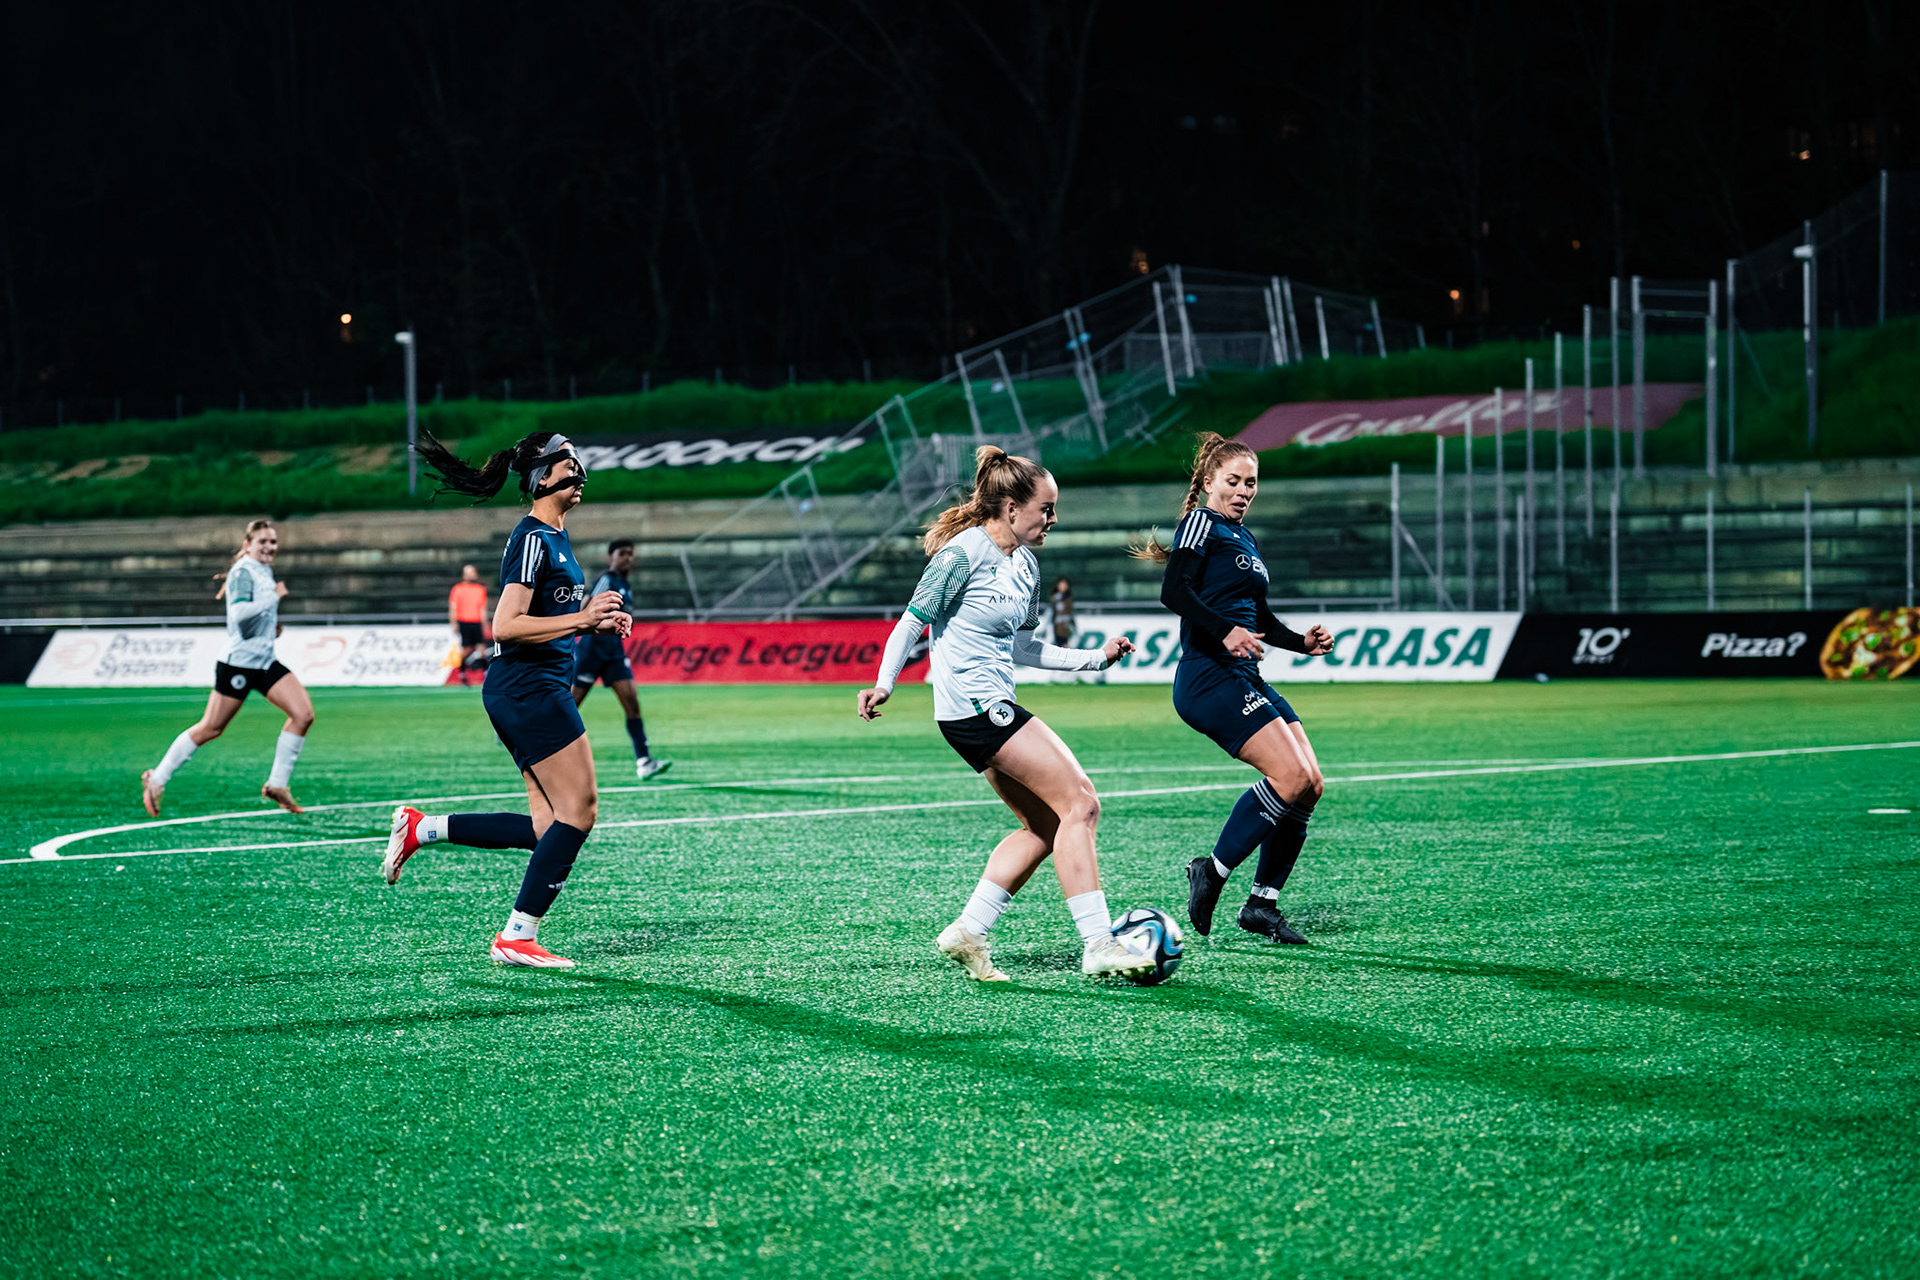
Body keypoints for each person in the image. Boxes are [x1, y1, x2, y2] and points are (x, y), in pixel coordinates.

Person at [856, 445, 1145, 982]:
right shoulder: (962, 554)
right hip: (976, 708)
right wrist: (884, 682)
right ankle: (1099, 943)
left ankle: (970, 930)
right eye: (1047, 509)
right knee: (1081, 803)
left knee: (1045, 824)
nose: (1054, 520)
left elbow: (1023, 648)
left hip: (986, 708)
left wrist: (1094, 658)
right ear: (1011, 507)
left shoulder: (1027, 564)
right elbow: (910, 622)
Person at [381, 430, 630, 969]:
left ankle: (422, 829)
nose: (578, 472)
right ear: (542, 477)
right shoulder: (534, 537)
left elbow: (549, 623)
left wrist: (595, 626)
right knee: (580, 812)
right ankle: (517, 936)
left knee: (548, 828)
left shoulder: (557, 539)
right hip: (529, 689)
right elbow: (506, 625)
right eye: (567, 464)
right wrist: (584, 617)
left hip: (530, 688)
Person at [1131, 433, 1334, 944]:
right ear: (1207, 483)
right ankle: (1212, 872)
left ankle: (1262, 905)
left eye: (1251, 483)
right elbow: (1172, 591)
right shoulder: (1200, 523)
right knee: (1289, 777)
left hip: (1244, 673)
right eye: (1234, 481)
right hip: (1208, 674)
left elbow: (1259, 618)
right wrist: (1224, 630)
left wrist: (1300, 642)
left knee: (1310, 783)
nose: (1244, 491)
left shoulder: (1246, 539)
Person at [140, 518, 316, 817]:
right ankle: (156, 779)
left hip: (263, 661)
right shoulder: (243, 572)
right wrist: (273, 598)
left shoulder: (262, 570)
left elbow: (253, 618)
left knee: (303, 715)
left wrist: (272, 626)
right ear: (247, 545)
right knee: (211, 727)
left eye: (273, 542)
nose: (269, 547)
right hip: (238, 664)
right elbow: (239, 615)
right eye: (263, 542)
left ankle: (277, 784)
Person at [573, 538, 670, 780]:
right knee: (569, 707)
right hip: (592, 651)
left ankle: (644, 761)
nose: (628, 558)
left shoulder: (624, 584)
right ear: (611, 557)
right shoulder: (607, 580)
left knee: (632, 704)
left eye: (630, 554)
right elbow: (586, 607)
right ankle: (528, 735)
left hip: (614, 654)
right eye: (622, 553)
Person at [448, 565, 489, 685]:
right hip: (464, 622)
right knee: (466, 650)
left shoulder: (480, 589)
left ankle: (486, 676)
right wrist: (453, 623)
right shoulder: (458, 589)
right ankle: (462, 673)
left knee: (482, 650)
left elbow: (483, 609)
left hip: (476, 622)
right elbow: (453, 607)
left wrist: (485, 624)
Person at [1049, 576, 1075, 646]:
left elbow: (1070, 612)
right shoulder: (1055, 597)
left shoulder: (1067, 598)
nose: (1063, 587)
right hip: (1057, 626)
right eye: (1061, 585)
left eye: (1065, 585)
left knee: (1064, 644)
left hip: (1065, 626)